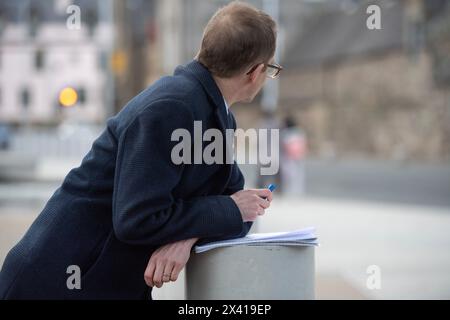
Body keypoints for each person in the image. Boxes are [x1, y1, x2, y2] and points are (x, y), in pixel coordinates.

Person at [0, 1, 281, 299]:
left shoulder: (214, 113)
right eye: (271, 70)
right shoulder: (173, 108)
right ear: (256, 72)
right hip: (61, 283)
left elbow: (237, 211)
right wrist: (226, 211)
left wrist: (188, 237)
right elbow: (137, 219)